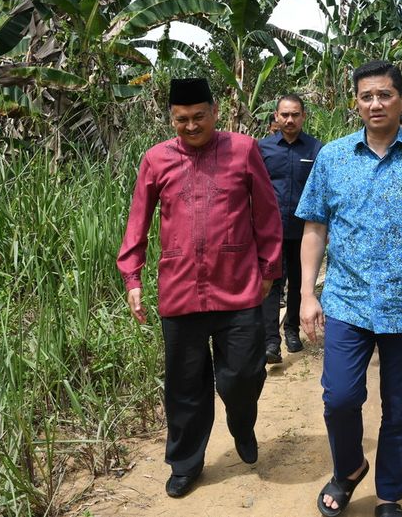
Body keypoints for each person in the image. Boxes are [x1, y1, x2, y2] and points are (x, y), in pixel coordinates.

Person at [296, 60, 402, 517]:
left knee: (400, 408)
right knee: (340, 397)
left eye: (385, 95)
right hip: (347, 302)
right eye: (367, 96)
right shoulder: (332, 157)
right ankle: (349, 468)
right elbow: (315, 228)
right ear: (356, 101)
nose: (376, 103)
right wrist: (307, 294)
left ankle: (390, 492)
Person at [116, 77, 283, 499]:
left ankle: (241, 423)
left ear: (214, 112)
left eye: (198, 117)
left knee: (244, 374)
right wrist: (132, 276)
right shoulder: (156, 159)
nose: (190, 126)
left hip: (238, 286)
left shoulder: (243, 149)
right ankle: (186, 463)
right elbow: (138, 220)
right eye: (181, 120)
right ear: (171, 118)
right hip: (180, 292)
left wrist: (269, 269)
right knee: (185, 387)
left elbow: (266, 212)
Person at [258, 94, 323, 364]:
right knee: (271, 284)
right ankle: (270, 341)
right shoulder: (263, 149)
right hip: (270, 232)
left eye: (295, 114)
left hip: (303, 231)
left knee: (299, 283)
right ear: (276, 116)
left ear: (303, 116)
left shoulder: (316, 149)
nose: (289, 120)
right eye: (284, 114)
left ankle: (292, 331)